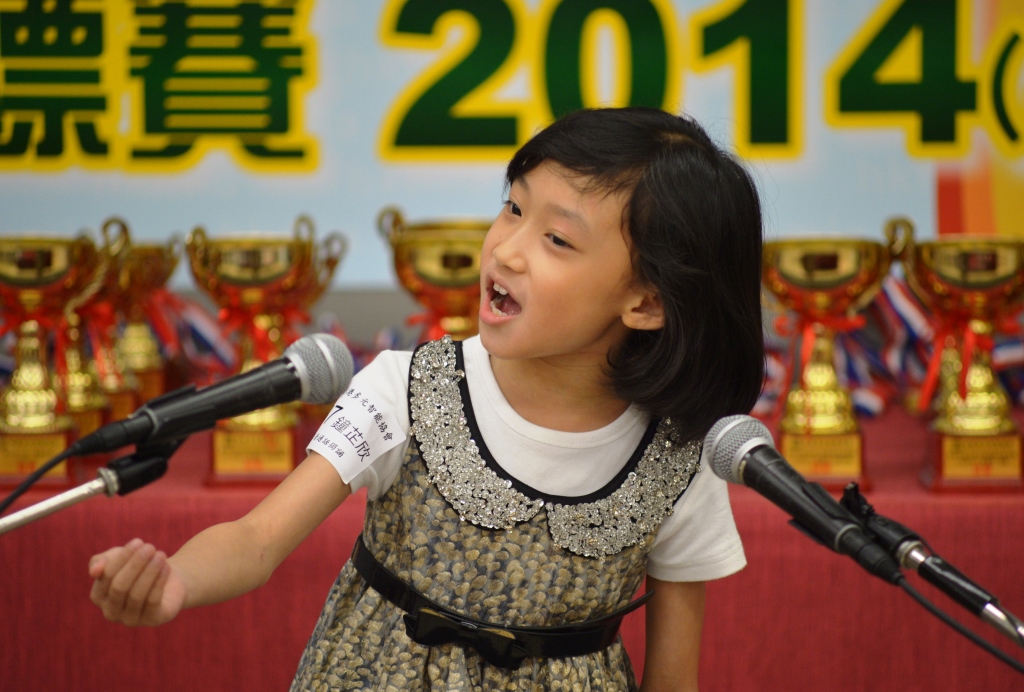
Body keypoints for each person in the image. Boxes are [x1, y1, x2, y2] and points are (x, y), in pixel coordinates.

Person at [88, 106, 765, 691]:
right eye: (514, 207)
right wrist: (175, 581)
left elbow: (674, 677)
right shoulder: (406, 388)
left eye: (557, 239)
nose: (508, 250)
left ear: (646, 301)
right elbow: (257, 539)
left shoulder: (681, 455)